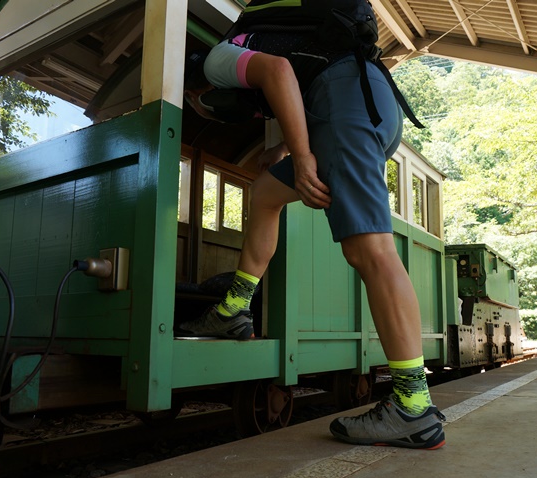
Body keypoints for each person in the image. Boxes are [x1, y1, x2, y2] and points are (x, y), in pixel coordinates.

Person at [178, 12, 446, 450]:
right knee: (264, 193)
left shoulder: (217, 61)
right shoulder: (287, 39)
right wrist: (285, 147)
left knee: (370, 251)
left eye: (200, 102)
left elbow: (279, 71)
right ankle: (233, 309)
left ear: (199, 89)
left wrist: (301, 155)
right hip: (363, 103)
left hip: (346, 107)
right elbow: (302, 80)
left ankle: (413, 407)